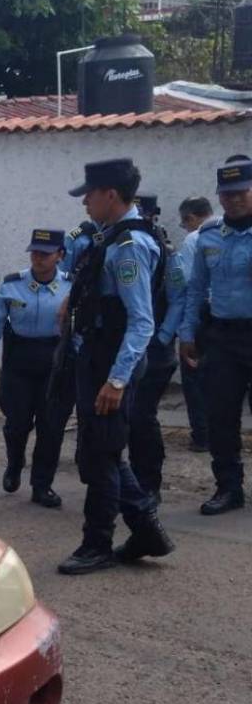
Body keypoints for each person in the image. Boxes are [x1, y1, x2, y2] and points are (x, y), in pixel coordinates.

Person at [57, 158, 173, 575]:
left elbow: (142, 321)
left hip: (113, 364)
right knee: (100, 449)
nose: (84, 201)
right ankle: (146, 530)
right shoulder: (111, 238)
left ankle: (97, 544)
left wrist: (117, 379)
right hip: (99, 357)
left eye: (89, 193)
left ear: (110, 194)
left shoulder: (130, 247)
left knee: (101, 455)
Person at [0, 229, 74, 509]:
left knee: (51, 428)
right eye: (35, 252)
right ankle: (15, 463)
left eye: (45, 253)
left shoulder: (72, 287)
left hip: (55, 364)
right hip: (19, 363)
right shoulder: (11, 285)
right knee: (17, 424)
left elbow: (79, 330)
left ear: (60, 256)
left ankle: (42, 486)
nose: (38, 258)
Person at [179, 157, 252, 515]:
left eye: (240, 193)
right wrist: (187, 331)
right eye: (227, 194)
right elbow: (196, 288)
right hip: (222, 336)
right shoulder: (208, 235)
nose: (233, 200)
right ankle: (228, 488)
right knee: (221, 416)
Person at [127, 194, 189, 503]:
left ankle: (149, 483)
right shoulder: (121, 245)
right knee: (127, 416)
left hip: (155, 351)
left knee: (141, 414)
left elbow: (179, 299)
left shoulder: (167, 253)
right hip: (128, 347)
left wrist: (163, 337)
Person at [177, 195, 216, 452]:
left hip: (203, 313)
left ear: (191, 218)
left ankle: (202, 436)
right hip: (230, 315)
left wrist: (185, 329)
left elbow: (189, 285)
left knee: (194, 376)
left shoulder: (194, 239)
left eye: (184, 222)